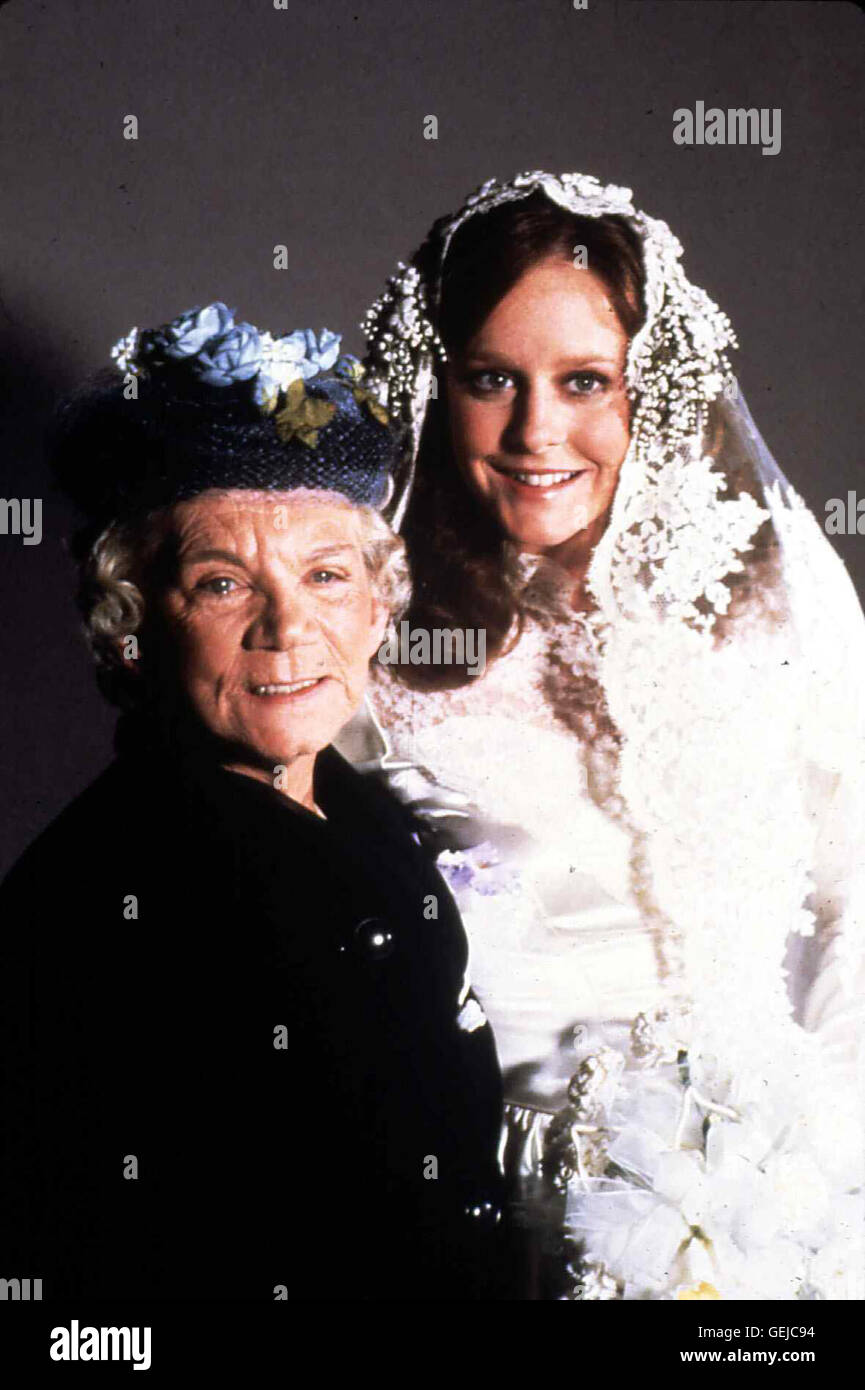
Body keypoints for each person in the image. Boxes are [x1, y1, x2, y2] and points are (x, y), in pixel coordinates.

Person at [342, 171, 865, 1300]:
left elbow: (856, 888)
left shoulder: (772, 599)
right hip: (478, 1217)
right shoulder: (358, 636)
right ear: (436, 388)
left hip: (771, 1209)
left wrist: (819, 1168)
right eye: (491, 379)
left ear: (653, 390)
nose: (538, 431)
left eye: (586, 381)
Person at [0, 305, 506, 1301]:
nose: (287, 628)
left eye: (324, 574)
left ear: (375, 605)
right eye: (222, 583)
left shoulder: (366, 813)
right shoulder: (100, 904)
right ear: (132, 625)